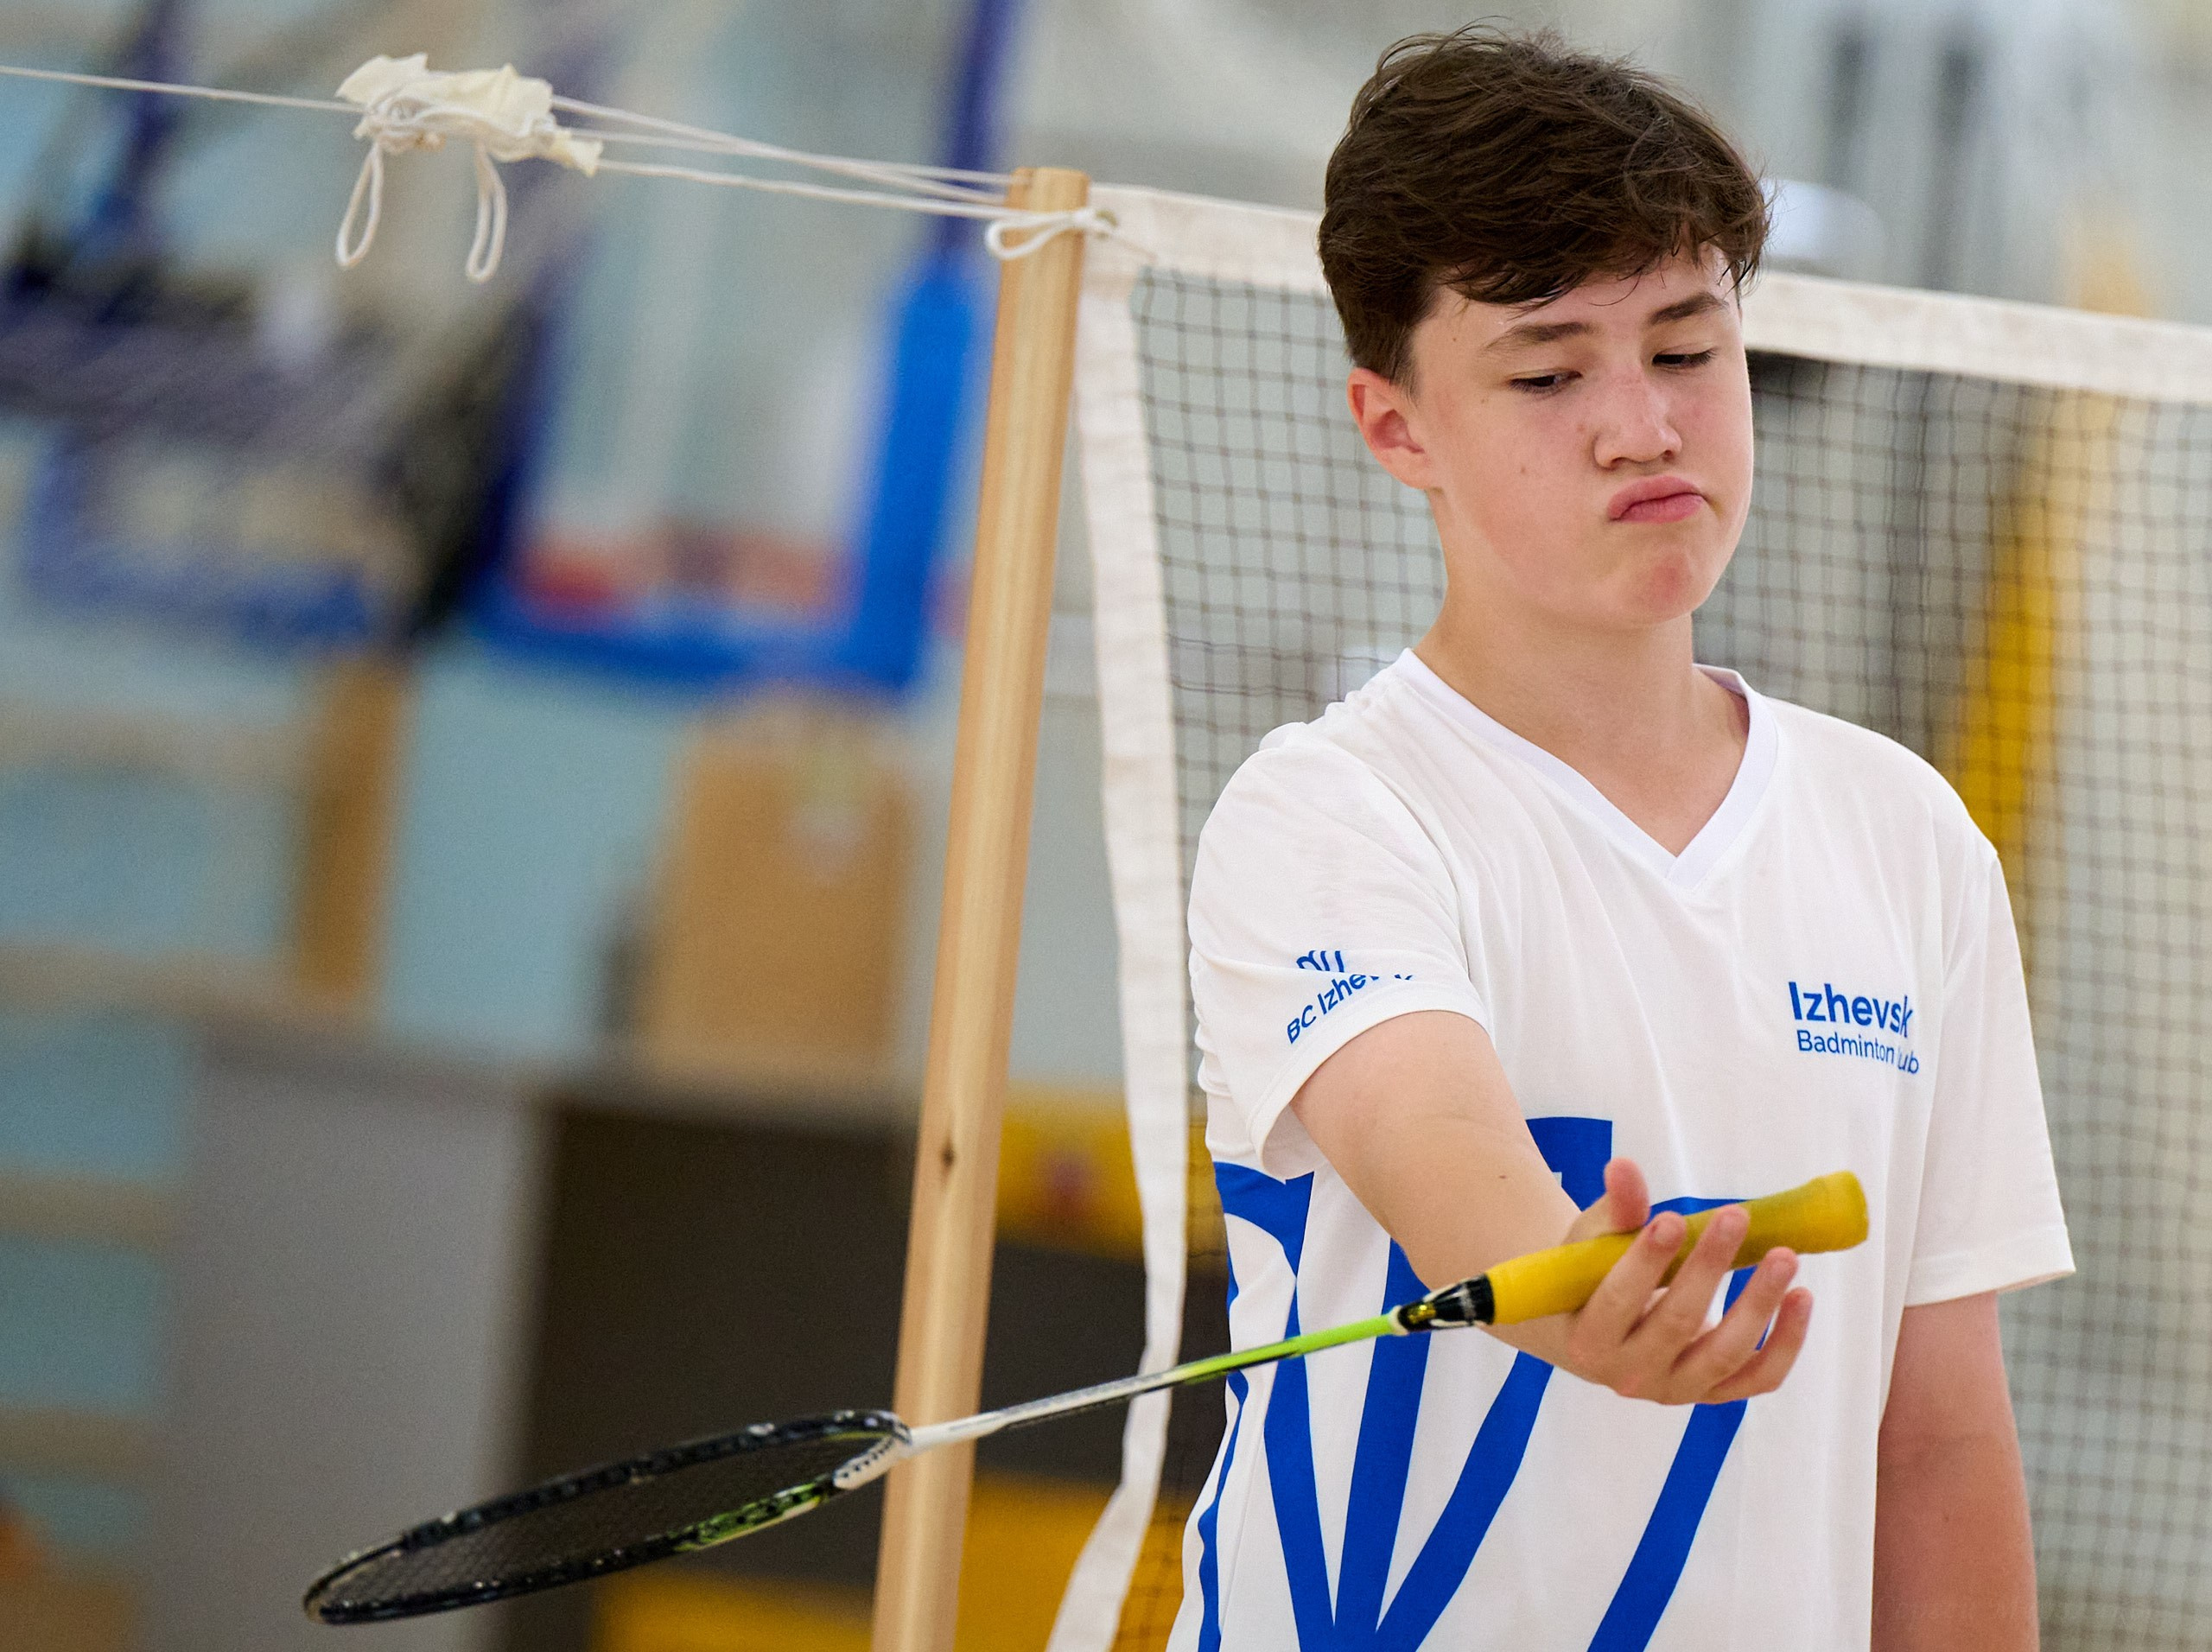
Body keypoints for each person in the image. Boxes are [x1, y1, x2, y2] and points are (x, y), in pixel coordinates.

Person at [1172, 26, 2072, 1652]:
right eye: (1548, 373)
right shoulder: (1328, 815)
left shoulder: (1909, 839)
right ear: (1396, 426)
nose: (1643, 426)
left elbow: (1936, 1440)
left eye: (1686, 349)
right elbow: (1444, 1150)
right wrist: (1572, 1294)